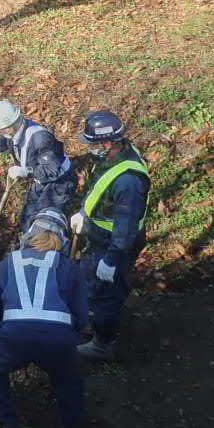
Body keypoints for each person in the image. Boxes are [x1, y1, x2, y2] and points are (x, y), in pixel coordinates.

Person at [0, 208, 87, 428]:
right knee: (69, 381)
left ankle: (7, 427)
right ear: (63, 240)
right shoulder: (69, 267)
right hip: (58, 340)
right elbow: (80, 316)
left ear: (28, 234)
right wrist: (73, 336)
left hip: (12, 337)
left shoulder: (9, 262)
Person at [69, 110, 149, 362]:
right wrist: (84, 213)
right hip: (99, 238)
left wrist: (112, 260)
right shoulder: (114, 157)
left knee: (105, 295)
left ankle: (102, 344)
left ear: (107, 142)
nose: (90, 149)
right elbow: (100, 187)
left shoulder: (129, 181)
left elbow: (125, 228)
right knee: (85, 282)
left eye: (93, 144)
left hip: (114, 247)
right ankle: (87, 322)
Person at [0, 100, 76, 235]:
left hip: (59, 184)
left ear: (9, 126)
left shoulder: (40, 138)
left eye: (0, 130)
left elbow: (52, 170)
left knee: (45, 224)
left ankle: (48, 248)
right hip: (40, 181)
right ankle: (26, 241)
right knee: (28, 218)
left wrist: (27, 171)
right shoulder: (12, 134)